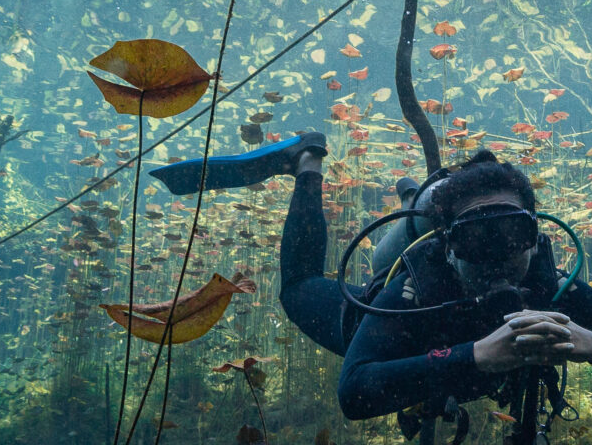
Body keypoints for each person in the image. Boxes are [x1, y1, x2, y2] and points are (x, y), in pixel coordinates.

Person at [337, 149, 592, 426]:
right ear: (448, 249)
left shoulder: (552, 289)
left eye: (512, 234)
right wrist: (478, 355)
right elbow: (354, 393)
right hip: (359, 327)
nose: (496, 255)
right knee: (297, 287)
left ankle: (414, 197)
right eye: (475, 238)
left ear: (534, 241)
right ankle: (310, 162)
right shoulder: (417, 290)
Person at [152, 130, 419, 355]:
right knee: (298, 286)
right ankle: (308, 164)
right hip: (397, 324)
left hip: (403, 314)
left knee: (379, 273)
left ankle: (414, 214)